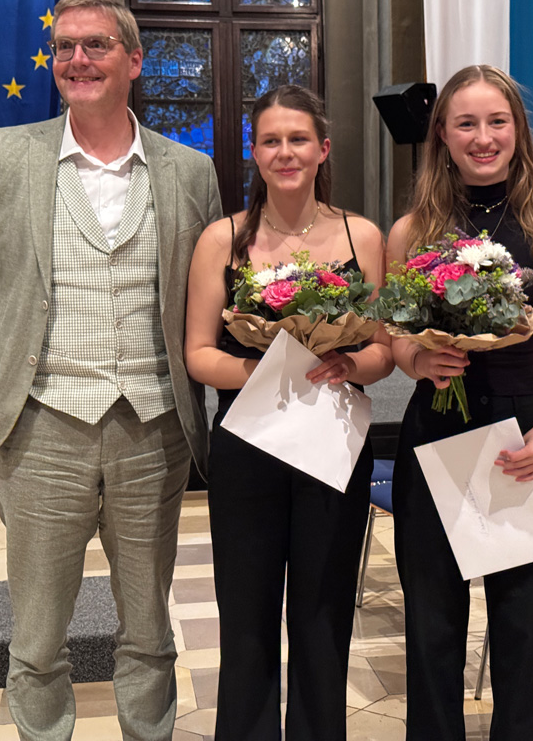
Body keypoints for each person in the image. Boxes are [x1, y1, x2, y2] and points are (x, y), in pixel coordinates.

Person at [0, 0, 221, 741]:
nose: (77, 60)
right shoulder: (7, 155)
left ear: (134, 61)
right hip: (40, 431)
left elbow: (214, 289)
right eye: (64, 47)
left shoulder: (189, 171)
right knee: (39, 639)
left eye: (97, 45)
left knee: (149, 630)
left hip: (153, 433)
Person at [184, 84, 393, 741]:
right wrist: (264, 370)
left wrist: (349, 365)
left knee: (322, 617)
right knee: (246, 620)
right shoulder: (222, 239)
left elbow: (384, 350)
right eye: (270, 140)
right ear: (254, 152)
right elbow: (198, 353)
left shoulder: (362, 235)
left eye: (298, 139)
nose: (285, 152)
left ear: (323, 148)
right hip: (249, 443)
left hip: (333, 443)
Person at [385, 64, 533, 740]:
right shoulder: (413, 228)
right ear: (442, 133)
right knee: (432, 623)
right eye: (466, 123)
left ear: (518, 130)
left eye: (497, 121)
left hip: (522, 434)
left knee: (522, 628)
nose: (483, 137)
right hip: (438, 425)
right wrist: (420, 360)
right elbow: (395, 338)